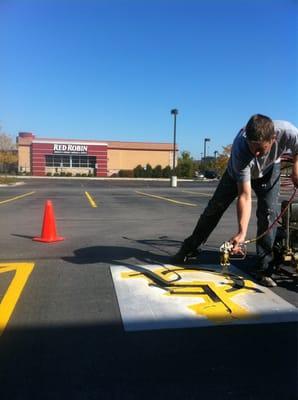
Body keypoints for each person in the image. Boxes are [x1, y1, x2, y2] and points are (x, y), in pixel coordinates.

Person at [172, 114, 298, 287]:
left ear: (273, 138)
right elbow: (244, 195)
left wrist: (296, 168)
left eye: (261, 148)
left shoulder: (288, 131)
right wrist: (242, 232)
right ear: (247, 138)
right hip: (235, 174)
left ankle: (263, 268)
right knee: (214, 208)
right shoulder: (241, 149)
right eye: (253, 148)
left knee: (269, 213)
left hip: (270, 171)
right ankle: (190, 248)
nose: (257, 153)